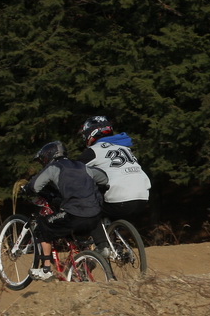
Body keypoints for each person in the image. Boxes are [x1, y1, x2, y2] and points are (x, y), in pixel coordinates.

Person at [22, 141, 108, 281]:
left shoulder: (54, 167)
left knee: (42, 225)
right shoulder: (83, 166)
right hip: (94, 215)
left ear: (48, 156)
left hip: (74, 214)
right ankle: (98, 251)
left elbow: (35, 186)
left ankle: (46, 269)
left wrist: (27, 188)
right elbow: (104, 178)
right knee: (77, 231)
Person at [78, 116, 151, 255]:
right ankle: (115, 242)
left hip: (121, 198)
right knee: (106, 201)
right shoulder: (124, 148)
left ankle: (102, 246)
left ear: (91, 133)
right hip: (143, 196)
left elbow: (73, 171)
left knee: (89, 209)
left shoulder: (94, 150)